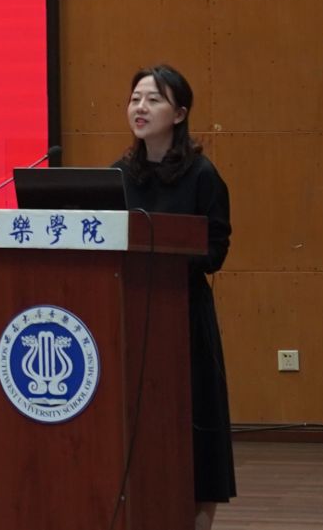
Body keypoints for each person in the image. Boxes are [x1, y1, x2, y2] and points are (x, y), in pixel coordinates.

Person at [115, 64, 234, 530]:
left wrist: (166, 250)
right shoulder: (118, 175)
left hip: (182, 316)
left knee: (194, 424)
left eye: (153, 99)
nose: (140, 108)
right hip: (124, 315)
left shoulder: (202, 175)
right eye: (135, 99)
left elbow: (215, 250)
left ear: (179, 114)